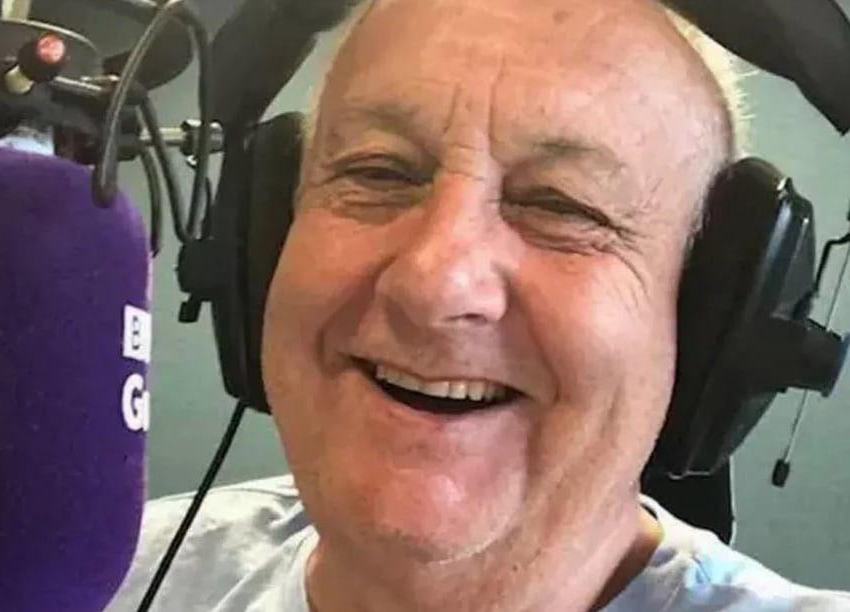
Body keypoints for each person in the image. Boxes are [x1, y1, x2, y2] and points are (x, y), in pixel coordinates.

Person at [108, 0, 850, 610]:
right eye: (379, 172)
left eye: (561, 206)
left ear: (709, 321)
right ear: (259, 244)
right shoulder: (99, 578)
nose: (434, 282)